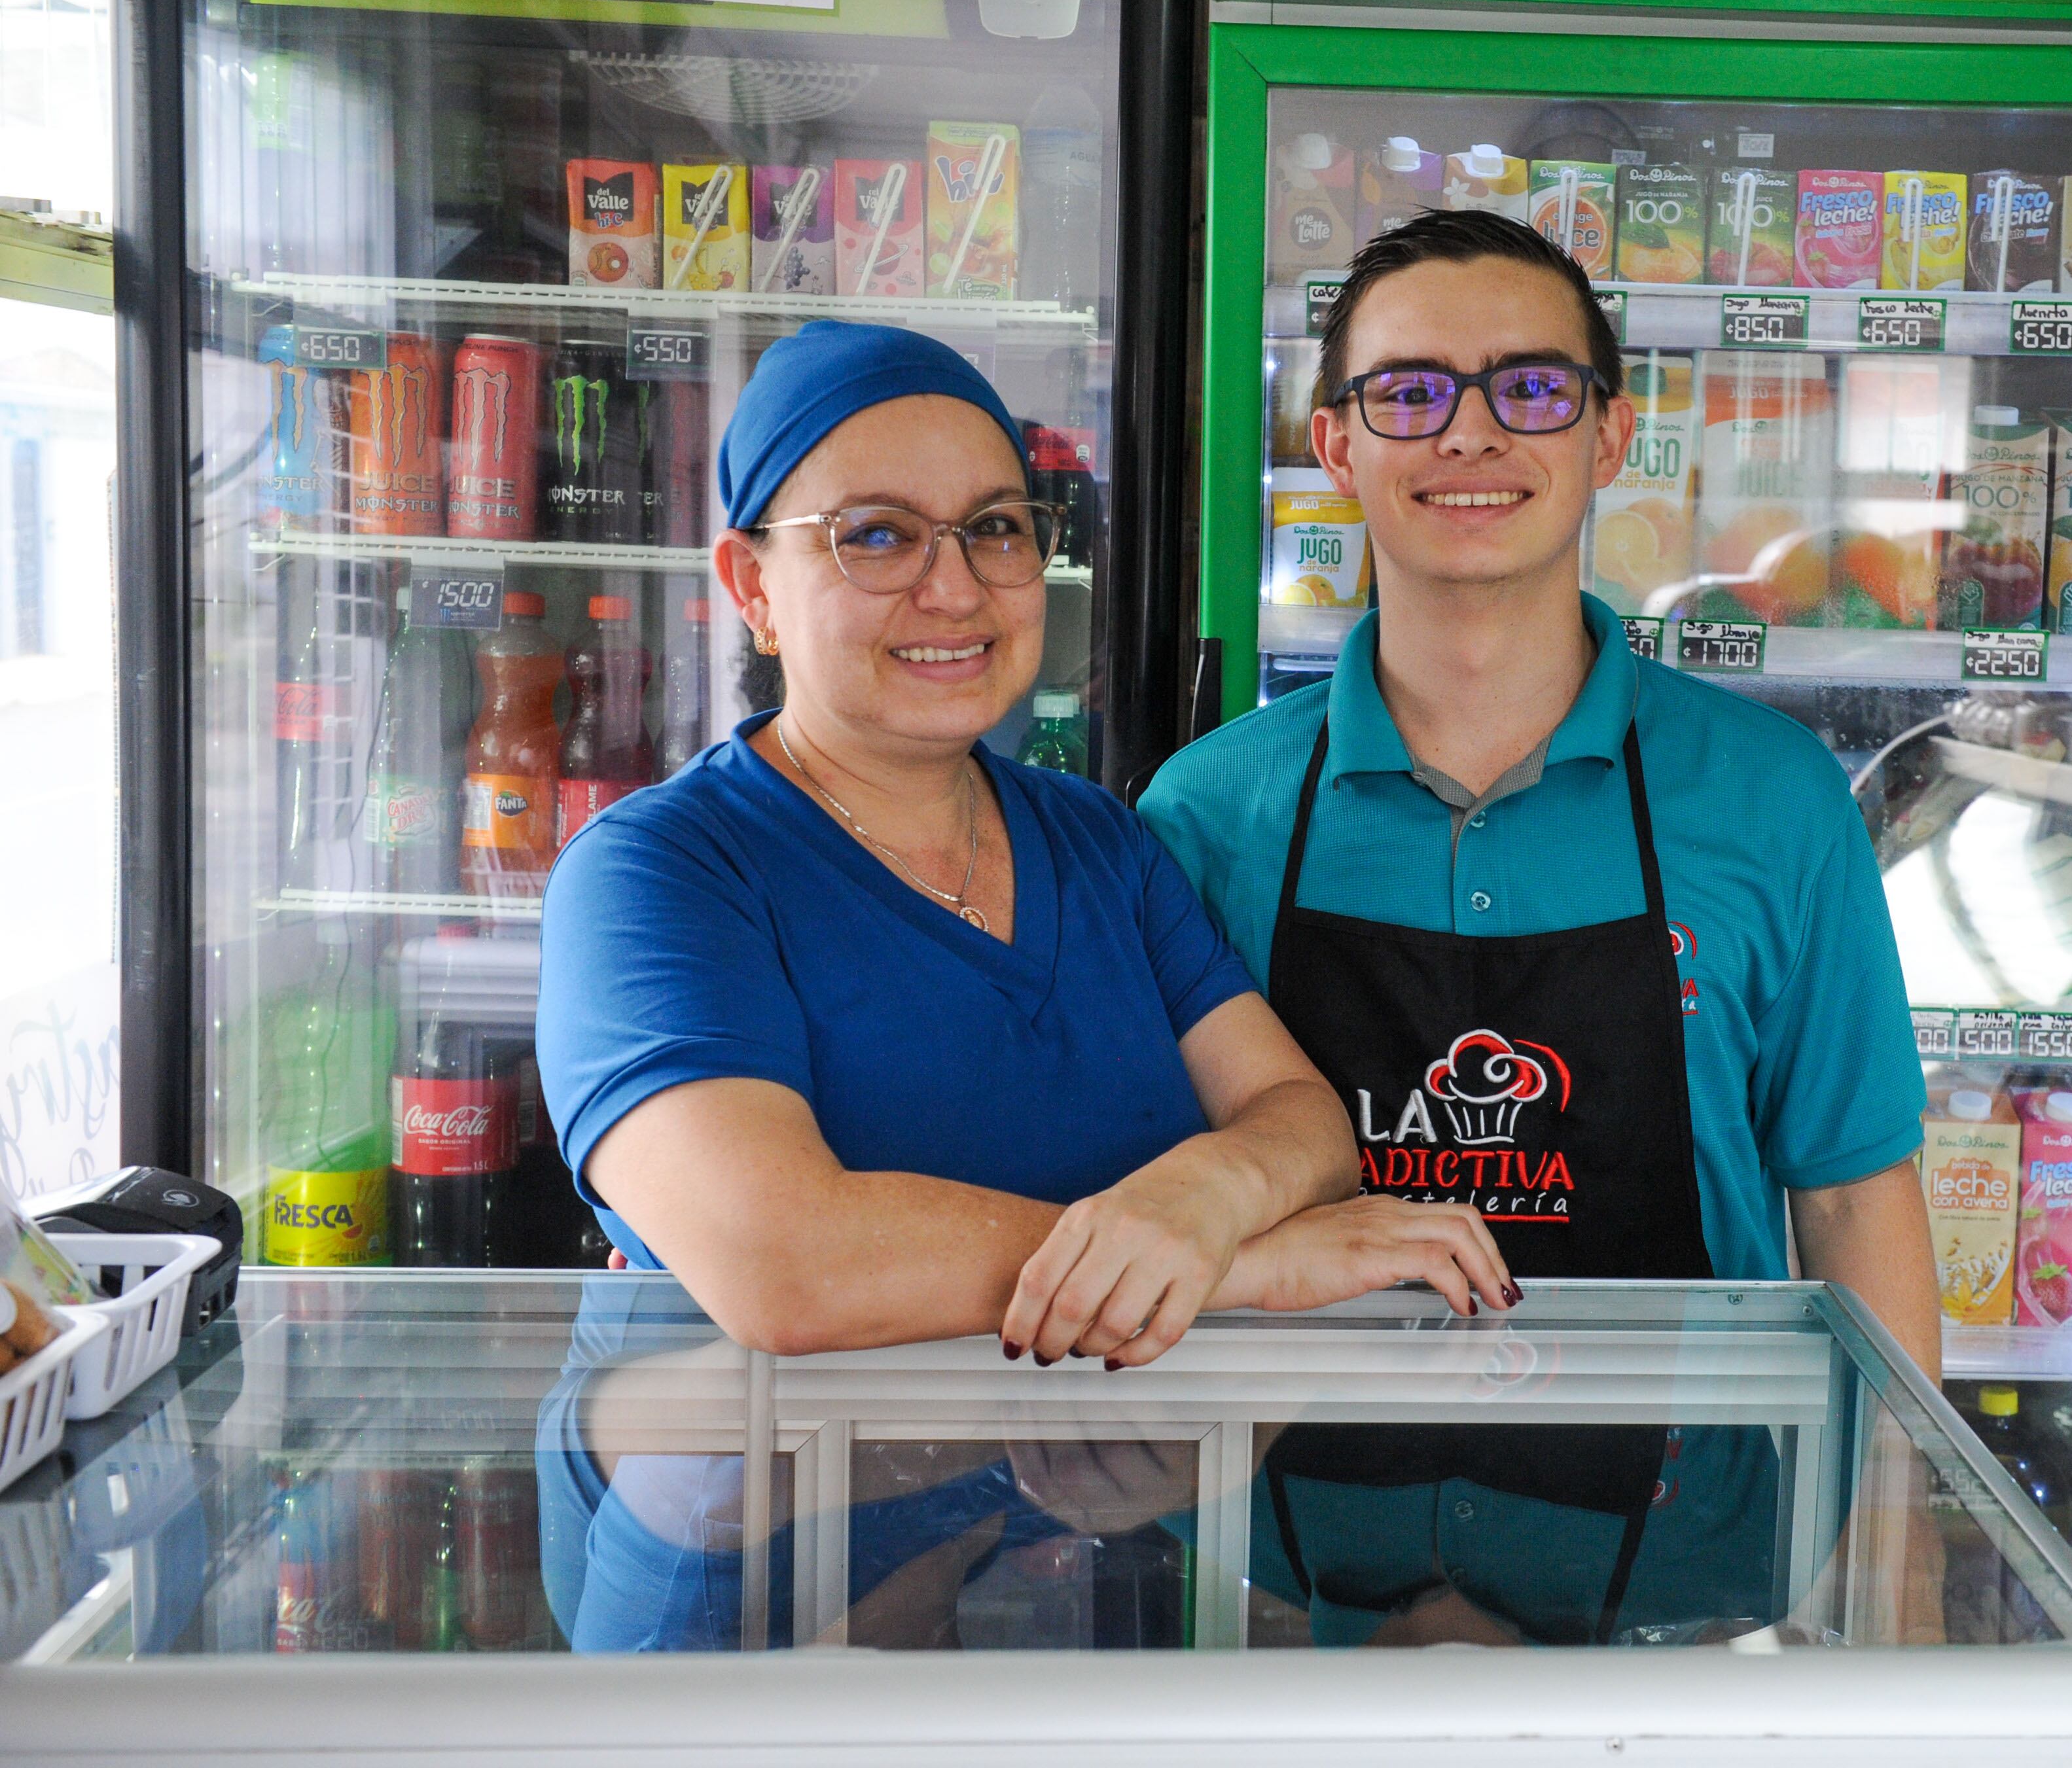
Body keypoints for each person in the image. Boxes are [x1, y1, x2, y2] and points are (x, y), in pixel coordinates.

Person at [1138, 211, 1939, 1644]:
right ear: (1335, 445)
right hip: (1291, 1586)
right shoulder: (1208, 815)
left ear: (1608, 435)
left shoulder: (1769, 804)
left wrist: (1904, 1589)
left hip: (1685, 1594)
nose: (1469, 433)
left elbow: (1853, 1198)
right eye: (1408, 391)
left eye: (1531, 388)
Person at [538, 321, 1513, 1370]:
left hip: (1099, 1511)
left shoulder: (1094, 839)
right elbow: (784, 1266)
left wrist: (1206, 1194)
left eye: (995, 528)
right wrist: (1234, 1270)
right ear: (752, 587)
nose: (955, 589)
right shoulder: (658, 873)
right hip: (783, 1518)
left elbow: (1295, 1117)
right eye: (875, 534)